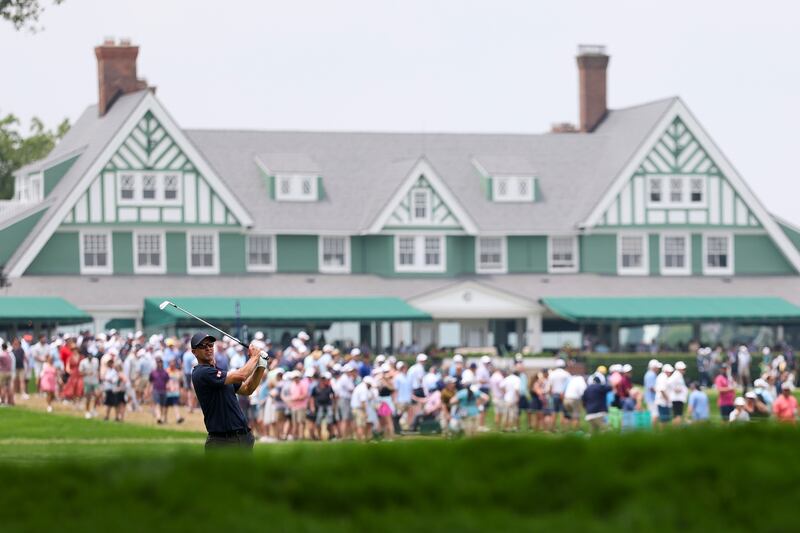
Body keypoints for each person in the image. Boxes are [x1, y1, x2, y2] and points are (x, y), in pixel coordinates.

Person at [191, 332, 268, 450]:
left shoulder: (220, 372)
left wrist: (261, 365)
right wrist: (254, 357)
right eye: (202, 346)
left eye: (210, 345)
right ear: (194, 352)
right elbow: (242, 375)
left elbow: (248, 389)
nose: (208, 348)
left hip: (243, 437)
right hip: (222, 441)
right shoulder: (201, 372)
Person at [79, 353, 100, 419]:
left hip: (95, 381)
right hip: (87, 381)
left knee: (97, 394)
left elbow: (97, 370)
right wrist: (87, 373)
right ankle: (87, 411)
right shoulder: (83, 362)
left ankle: (94, 409)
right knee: (88, 397)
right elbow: (80, 372)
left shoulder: (96, 361)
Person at [644, 359, 662, 424]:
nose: (658, 369)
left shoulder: (650, 374)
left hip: (651, 398)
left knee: (654, 415)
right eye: (657, 367)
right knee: (654, 415)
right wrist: (660, 393)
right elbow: (651, 387)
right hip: (652, 399)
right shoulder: (651, 374)